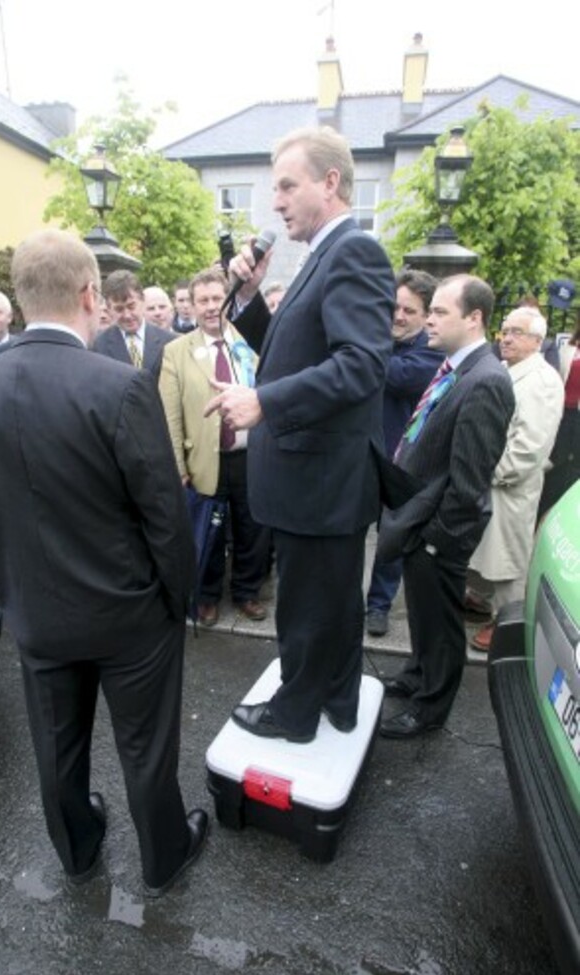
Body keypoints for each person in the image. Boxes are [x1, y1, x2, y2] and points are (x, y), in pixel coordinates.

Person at [0, 229, 207, 895]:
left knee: (57, 745)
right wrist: (179, 600)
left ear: (23, 300)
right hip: (130, 614)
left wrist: (4, 590)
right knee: (145, 747)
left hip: (36, 613)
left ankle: (79, 851)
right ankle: (163, 856)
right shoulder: (119, 386)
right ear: (91, 294)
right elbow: (163, 515)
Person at [205, 125, 395, 743]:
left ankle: (295, 717)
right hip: (320, 481)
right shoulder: (323, 257)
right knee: (332, 605)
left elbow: (361, 366)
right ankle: (338, 701)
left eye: (288, 186)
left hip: (319, 482)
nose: (277, 202)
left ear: (331, 183)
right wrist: (254, 298)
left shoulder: (354, 253)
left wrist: (262, 400)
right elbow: (292, 353)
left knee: (307, 610)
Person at [377, 275, 515, 738]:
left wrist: (438, 540)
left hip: (439, 531)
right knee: (421, 614)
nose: (428, 319)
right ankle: (417, 675)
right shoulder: (456, 367)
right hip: (421, 517)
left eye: (439, 312)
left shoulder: (486, 380)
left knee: (441, 624)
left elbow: (470, 480)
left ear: (474, 318)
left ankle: (430, 709)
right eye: (429, 310)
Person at [159, 268, 268, 627]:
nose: (210, 307)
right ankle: (206, 596)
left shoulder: (247, 346)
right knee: (209, 530)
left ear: (228, 301)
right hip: (204, 459)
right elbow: (170, 416)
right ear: (190, 306)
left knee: (252, 528)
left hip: (249, 458)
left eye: (216, 299)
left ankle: (247, 592)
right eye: (201, 300)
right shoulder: (176, 352)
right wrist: (179, 466)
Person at [467, 307, 564, 651]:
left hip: (508, 485)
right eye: (504, 331)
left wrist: (488, 471)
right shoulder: (508, 370)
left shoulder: (542, 379)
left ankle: (509, 621)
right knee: (486, 552)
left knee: (508, 559)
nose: (506, 338)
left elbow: (529, 447)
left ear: (538, 341)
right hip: (490, 480)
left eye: (516, 332)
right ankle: (483, 603)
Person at [365, 268, 442, 637]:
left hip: (400, 463)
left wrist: (361, 349)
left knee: (391, 538)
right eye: (394, 307)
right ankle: (345, 600)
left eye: (409, 311)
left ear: (426, 315)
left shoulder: (430, 352)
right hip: (362, 455)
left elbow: (392, 375)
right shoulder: (380, 340)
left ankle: (378, 606)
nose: (398, 316)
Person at [538, 313, 580, 518]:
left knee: (573, 467)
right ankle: (543, 511)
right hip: (562, 413)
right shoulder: (568, 348)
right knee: (554, 462)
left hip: (578, 418)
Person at [94, 271, 175, 377]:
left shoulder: (170, 342)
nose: (127, 315)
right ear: (108, 309)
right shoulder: (97, 345)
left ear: (142, 300)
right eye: (119, 309)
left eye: (131, 306)